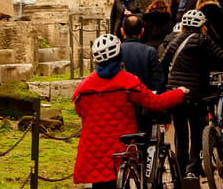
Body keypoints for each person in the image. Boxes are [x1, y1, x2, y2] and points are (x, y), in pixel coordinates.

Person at [73, 34, 187, 189]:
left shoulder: (83, 88)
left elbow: (80, 111)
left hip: (93, 150)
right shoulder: (127, 82)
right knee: (121, 180)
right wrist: (179, 93)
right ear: (119, 55)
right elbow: (154, 102)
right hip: (121, 144)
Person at [161, 10, 223, 178]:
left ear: (183, 26)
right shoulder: (203, 40)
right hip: (196, 94)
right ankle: (192, 170)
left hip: (175, 95)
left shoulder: (174, 42)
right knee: (198, 133)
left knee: (181, 136)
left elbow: (162, 66)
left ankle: (181, 175)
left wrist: (166, 88)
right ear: (202, 26)